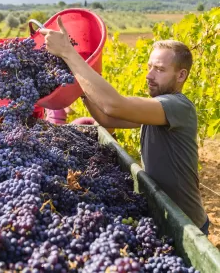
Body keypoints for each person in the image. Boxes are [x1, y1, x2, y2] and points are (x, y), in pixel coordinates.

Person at [40, 16, 209, 236]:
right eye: (149, 67)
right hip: (165, 213)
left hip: (188, 224)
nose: (149, 75)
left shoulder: (178, 106)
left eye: (159, 69)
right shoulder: (156, 110)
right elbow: (108, 119)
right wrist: (82, 88)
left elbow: (114, 106)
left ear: (181, 75)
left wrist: (69, 54)